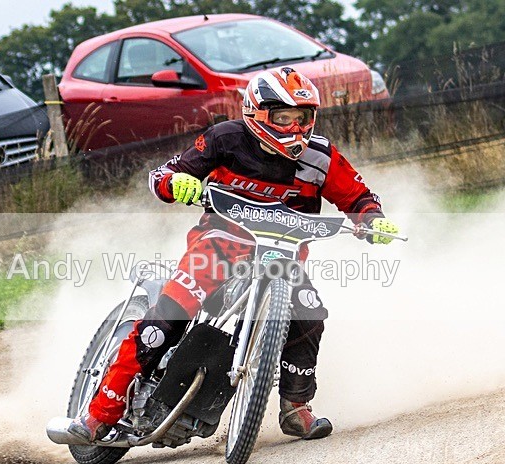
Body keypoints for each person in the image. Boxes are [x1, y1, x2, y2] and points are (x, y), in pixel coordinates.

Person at [67, 66, 399, 442]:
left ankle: (296, 408)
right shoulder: (225, 139)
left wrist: (372, 220)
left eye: (302, 117)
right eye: (283, 117)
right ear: (257, 113)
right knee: (164, 323)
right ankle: (97, 416)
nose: (294, 127)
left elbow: (358, 197)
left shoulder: (321, 157)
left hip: (283, 256)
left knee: (309, 314)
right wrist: (177, 183)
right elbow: (164, 174)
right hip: (217, 246)